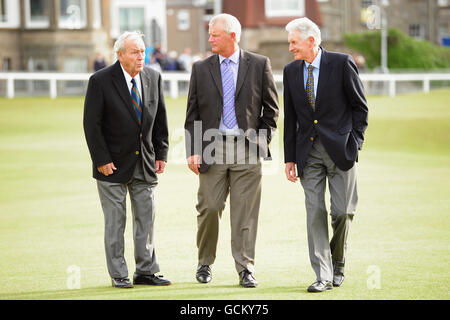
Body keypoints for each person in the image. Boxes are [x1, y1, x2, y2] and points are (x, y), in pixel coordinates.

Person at [184, 13, 279, 288]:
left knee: (245, 212)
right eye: (210, 34)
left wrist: (261, 140)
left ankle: (245, 268)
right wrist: (193, 149)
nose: (210, 38)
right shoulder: (201, 68)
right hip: (211, 147)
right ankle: (205, 262)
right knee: (209, 207)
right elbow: (193, 113)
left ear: (233, 36)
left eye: (215, 34)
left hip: (248, 149)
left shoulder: (259, 64)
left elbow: (271, 110)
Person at [283, 18, 368, 293]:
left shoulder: (342, 63)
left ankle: (338, 259)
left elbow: (360, 107)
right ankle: (323, 274)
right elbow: (291, 117)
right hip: (308, 153)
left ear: (311, 40)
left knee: (342, 212)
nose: (290, 48)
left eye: (294, 42)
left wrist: (355, 143)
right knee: (315, 211)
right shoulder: (291, 71)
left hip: (341, 150)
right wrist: (289, 158)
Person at [83, 31, 171, 288]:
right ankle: (119, 274)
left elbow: (160, 120)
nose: (141, 56)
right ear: (119, 55)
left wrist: (161, 153)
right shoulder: (100, 81)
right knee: (115, 223)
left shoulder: (153, 77)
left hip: (145, 163)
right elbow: (92, 124)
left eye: (143, 51)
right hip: (111, 166)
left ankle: (146, 271)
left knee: (146, 220)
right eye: (135, 52)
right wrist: (101, 159)